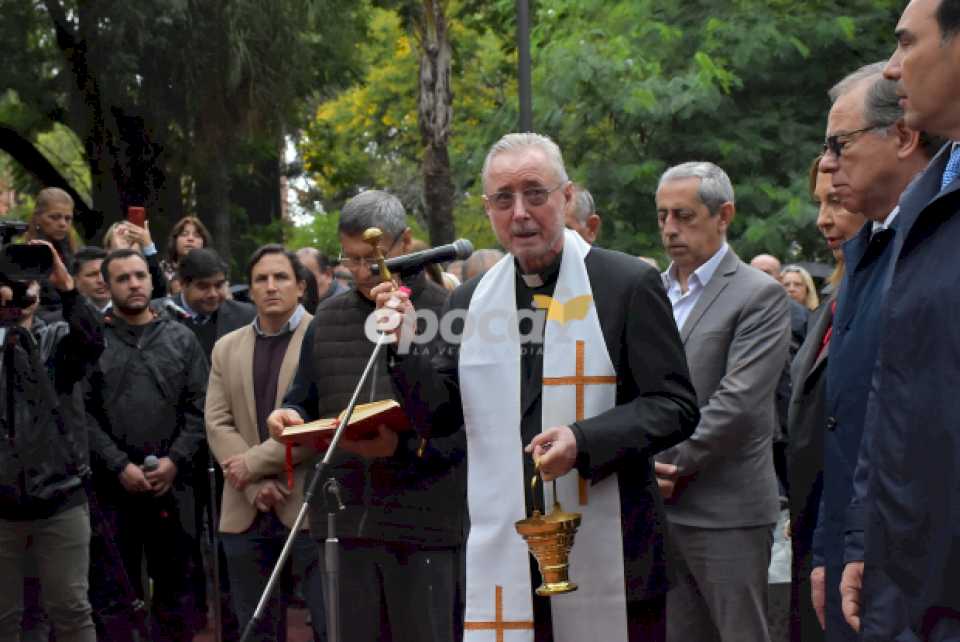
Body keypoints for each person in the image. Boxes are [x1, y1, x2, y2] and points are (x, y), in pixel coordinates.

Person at [372, 133, 700, 641]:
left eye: (535, 193)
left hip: (613, 547)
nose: (520, 212)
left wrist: (583, 440)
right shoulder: (470, 300)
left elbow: (675, 406)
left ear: (566, 197)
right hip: (508, 556)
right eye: (504, 199)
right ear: (488, 210)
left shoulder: (627, 283)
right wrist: (405, 345)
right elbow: (438, 417)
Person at [268, 190, 467, 642]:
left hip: (425, 523)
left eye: (370, 258)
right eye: (350, 258)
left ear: (406, 243)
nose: (360, 272)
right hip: (344, 516)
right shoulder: (328, 316)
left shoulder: (447, 311)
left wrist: (401, 448)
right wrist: (288, 415)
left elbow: (464, 428)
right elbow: (304, 395)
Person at [838, 1, 960, 638]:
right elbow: (897, 389)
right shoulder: (925, 204)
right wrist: (865, 539)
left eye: (906, 44)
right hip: (909, 584)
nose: (889, 71)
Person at [811, 61, 939, 642]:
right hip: (856, 554)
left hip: (917, 568)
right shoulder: (867, 251)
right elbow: (845, 425)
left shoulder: (930, 251)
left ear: (905, 138)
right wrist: (829, 547)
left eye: (841, 144)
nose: (829, 164)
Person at [653, 161, 789, 642]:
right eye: (663, 216)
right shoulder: (652, 292)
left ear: (723, 215)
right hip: (663, 510)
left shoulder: (759, 295)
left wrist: (662, 463)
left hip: (727, 510)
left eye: (684, 216)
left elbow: (739, 401)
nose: (670, 229)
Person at [86, 249, 208, 642]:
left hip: (174, 484)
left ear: (152, 280)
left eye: (140, 275)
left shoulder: (181, 337)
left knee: (176, 589)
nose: (134, 284)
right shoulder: (90, 340)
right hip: (111, 487)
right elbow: (81, 415)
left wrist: (174, 461)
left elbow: (201, 406)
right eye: (122, 278)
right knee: (114, 595)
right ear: (107, 285)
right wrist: (119, 465)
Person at [205, 245, 325, 642]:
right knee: (255, 629)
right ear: (250, 290)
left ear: (301, 287)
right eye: (261, 279)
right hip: (244, 505)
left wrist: (253, 465)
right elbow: (217, 422)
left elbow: (321, 421)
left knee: (327, 624)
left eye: (281, 277)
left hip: (307, 505)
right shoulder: (226, 347)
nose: (271, 287)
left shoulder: (321, 336)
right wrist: (253, 482)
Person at [0, 240, 103, 642]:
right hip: (2, 508)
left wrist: (68, 284)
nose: (19, 289)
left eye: (28, 279)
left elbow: (93, 342)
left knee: (71, 610)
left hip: (59, 498)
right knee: (5, 618)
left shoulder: (58, 338)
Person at [786, 157, 866, 642]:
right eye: (819, 203)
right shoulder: (835, 299)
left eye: (835, 201)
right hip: (812, 531)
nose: (823, 219)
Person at [168, 248, 256, 360]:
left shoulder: (246, 317)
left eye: (219, 285)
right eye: (203, 287)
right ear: (183, 284)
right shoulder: (158, 315)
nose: (213, 294)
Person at [23, 188, 79, 322]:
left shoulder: (74, 254)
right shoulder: (24, 256)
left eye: (68, 218)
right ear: (37, 218)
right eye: (55, 217)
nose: (63, 224)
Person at [103, 219, 168, 298]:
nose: (126, 236)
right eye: (120, 233)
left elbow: (160, 291)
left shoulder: (150, 270)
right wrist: (120, 252)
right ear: (108, 249)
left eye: (132, 235)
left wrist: (148, 245)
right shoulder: (100, 272)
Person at [161, 216, 211, 296]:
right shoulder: (161, 269)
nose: (190, 238)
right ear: (175, 240)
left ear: (203, 243)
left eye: (197, 235)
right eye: (184, 234)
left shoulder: (212, 271)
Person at [72, 247, 111, 313]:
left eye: (105, 272)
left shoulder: (132, 311)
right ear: (76, 281)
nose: (101, 280)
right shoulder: (64, 319)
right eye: (92, 274)